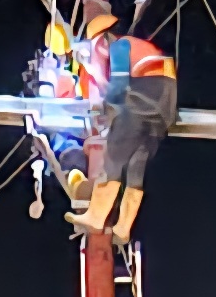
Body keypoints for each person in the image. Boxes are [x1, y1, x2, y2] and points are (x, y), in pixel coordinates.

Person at [65, 13, 177, 244]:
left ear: (102, 38)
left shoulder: (120, 45)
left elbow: (118, 82)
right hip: (165, 105)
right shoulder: (144, 48)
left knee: (114, 156)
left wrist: (107, 106)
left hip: (144, 94)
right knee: (136, 165)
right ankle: (123, 227)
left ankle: (96, 216)